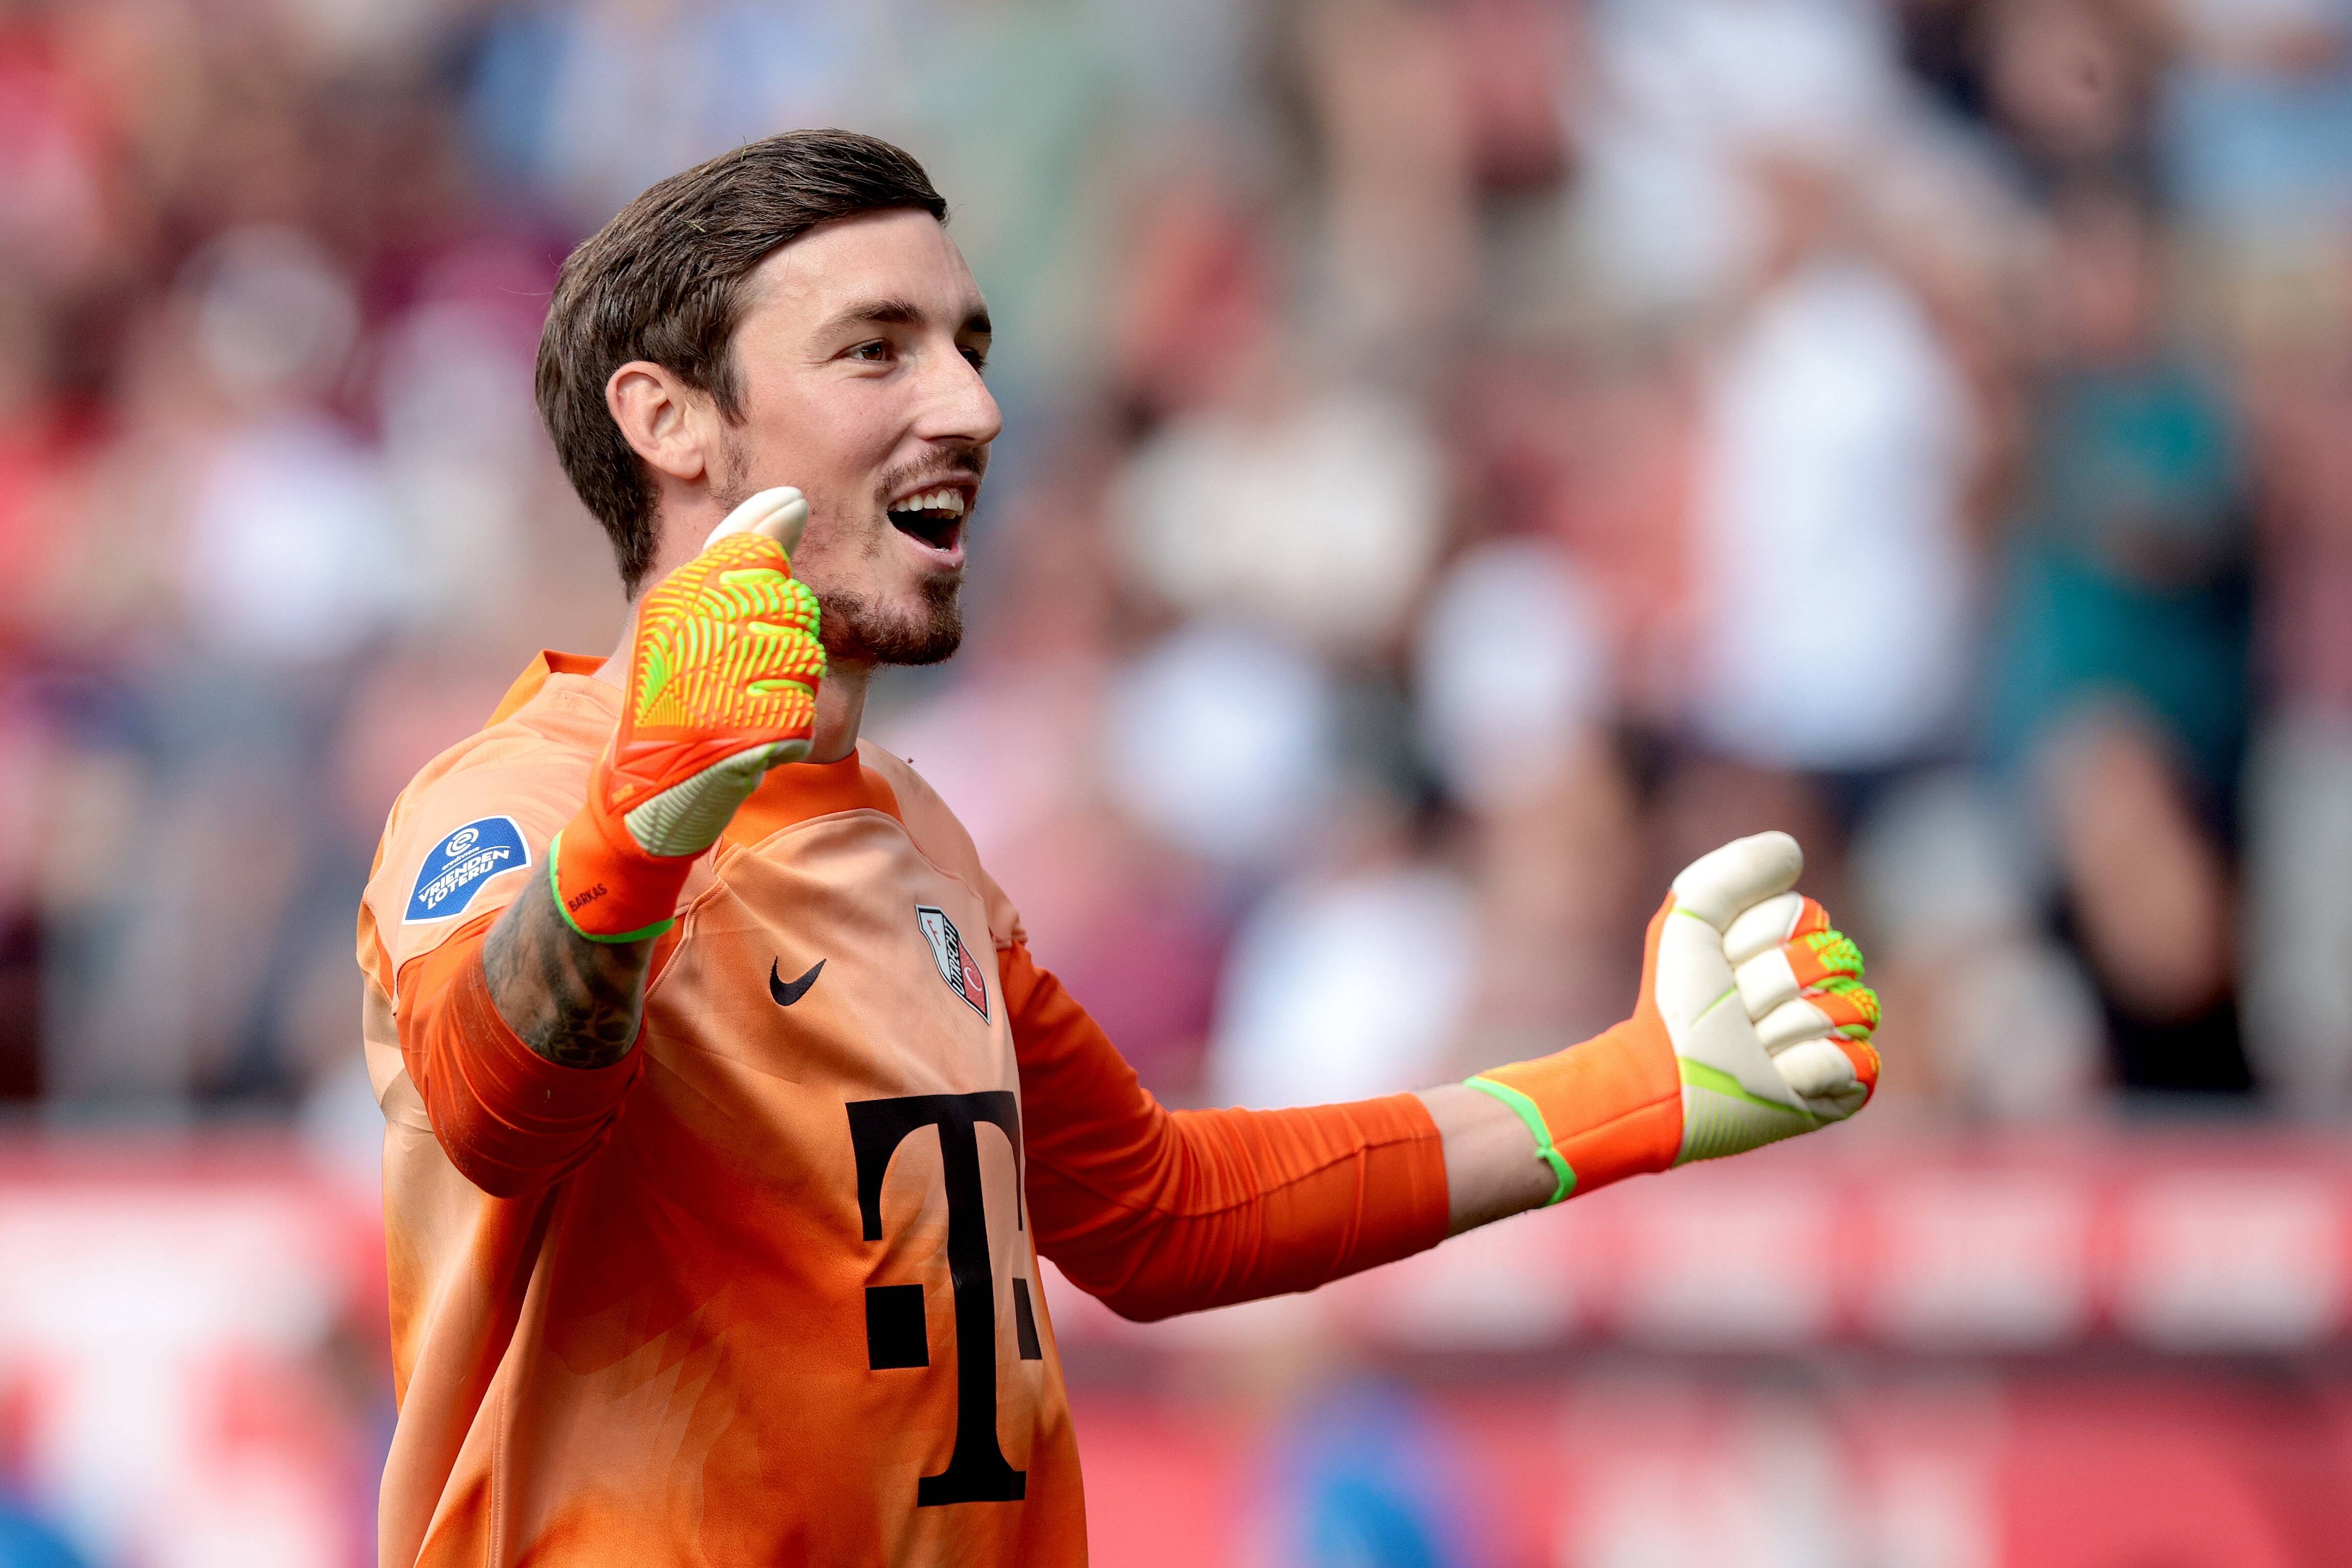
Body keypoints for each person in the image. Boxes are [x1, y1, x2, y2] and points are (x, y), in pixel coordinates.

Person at [354, 130, 1883, 1566]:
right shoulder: (506, 802)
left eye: (970, 347)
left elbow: (1158, 1212)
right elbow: (496, 1103)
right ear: (668, 419)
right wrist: (640, 827)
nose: (969, 406)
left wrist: (1639, 1083)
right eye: (877, 348)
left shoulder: (916, 840)